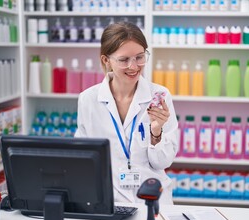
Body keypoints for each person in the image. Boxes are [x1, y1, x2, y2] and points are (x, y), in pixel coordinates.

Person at [75, 21, 178, 205]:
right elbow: (83, 160)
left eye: (139, 57)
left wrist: (156, 133)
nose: (134, 66)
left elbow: (163, 163)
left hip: (153, 201)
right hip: (109, 202)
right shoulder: (88, 100)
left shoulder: (159, 96)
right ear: (106, 60)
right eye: (124, 60)